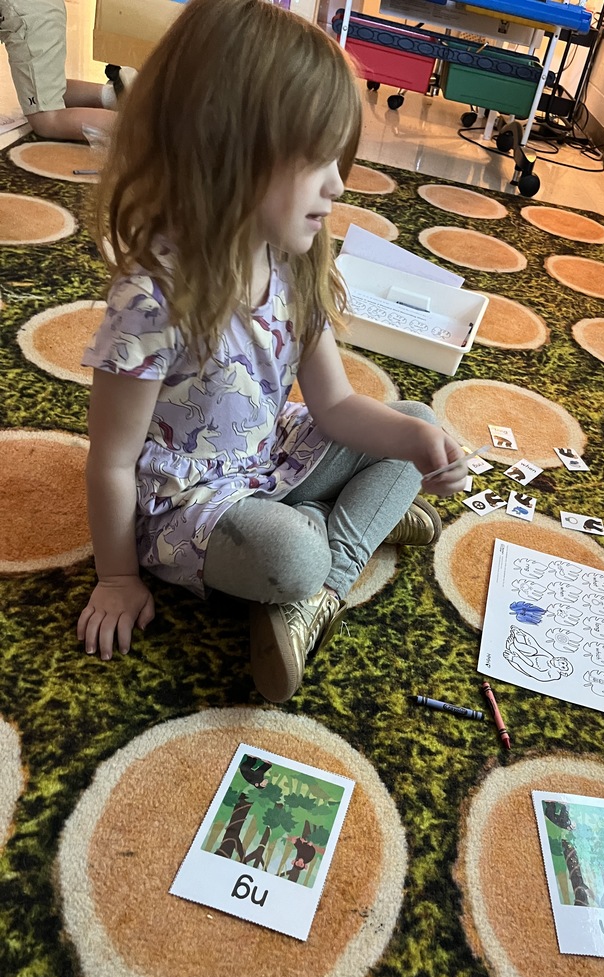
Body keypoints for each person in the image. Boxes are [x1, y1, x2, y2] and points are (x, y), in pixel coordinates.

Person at [76, 0, 468, 703]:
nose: (338, 185)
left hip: (268, 458)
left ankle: (327, 577)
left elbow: (339, 407)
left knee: (415, 418)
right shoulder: (153, 297)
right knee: (294, 554)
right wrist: (117, 577)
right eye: (317, 160)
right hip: (187, 504)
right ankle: (338, 543)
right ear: (232, 150)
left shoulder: (297, 263)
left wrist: (416, 439)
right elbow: (110, 458)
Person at [0, 0, 135, 140]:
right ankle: (117, 97)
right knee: (48, 90)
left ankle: (137, 128)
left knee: (45, 119)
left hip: (27, 14)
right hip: (41, 9)